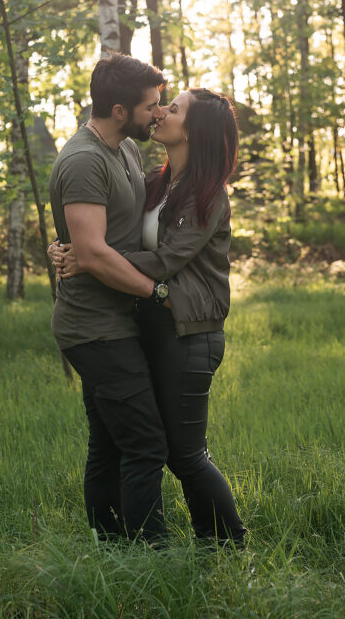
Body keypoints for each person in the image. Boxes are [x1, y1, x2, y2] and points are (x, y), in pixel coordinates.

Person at [51, 86, 246, 548]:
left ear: (193, 131)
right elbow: (114, 233)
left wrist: (91, 258)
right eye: (162, 105)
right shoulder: (155, 180)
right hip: (150, 327)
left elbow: (164, 260)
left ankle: (228, 546)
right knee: (139, 445)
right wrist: (72, 247)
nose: (161, 112)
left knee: (185, 456)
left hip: (190, 332)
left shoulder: (208, 194)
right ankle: (126, 547)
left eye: (172, 109)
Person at [48, 53, 171, 544]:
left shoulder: (124, 150)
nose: (157, 114)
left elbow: (99, 242)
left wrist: (79, 250)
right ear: (120, 110)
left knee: (108, 442)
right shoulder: (83, 160)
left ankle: (111, 544)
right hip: (94, 328)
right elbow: (94, 253)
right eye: (150, 106)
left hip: (118, 320)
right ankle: (153, 553)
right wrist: (157, 292)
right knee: (145, 443)